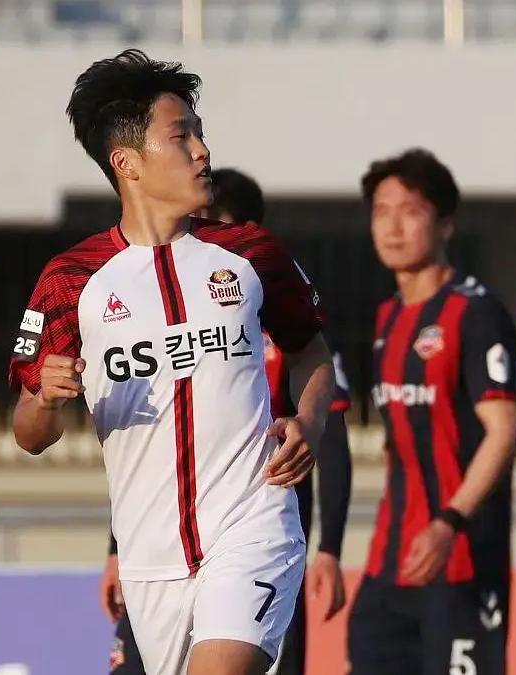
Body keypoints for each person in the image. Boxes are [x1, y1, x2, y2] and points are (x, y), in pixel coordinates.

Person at [10, 50, 334, 675]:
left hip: (254, 525)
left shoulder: (250, 253)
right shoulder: (69, 281)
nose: (203, 151)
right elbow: (29, 434)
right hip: (149, 559)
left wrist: (311, 422)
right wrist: (45, 399)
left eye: (200, 133)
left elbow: (311, 351)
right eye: (181, 136)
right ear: (127, 162)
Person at [98, 168, 353, 675]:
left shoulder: (283, 325)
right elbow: (146, 441)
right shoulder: (150, 312)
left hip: (254, 536)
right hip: (159, 545)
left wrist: (330, 548)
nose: (197, 232)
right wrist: (115, 548)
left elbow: (332, 438)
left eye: (212, 220)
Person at [347, 149, 516, 675]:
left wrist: (449, 522)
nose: (393, 226)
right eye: (381, 211)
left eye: (411, 211)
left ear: (445, 224)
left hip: (461, 559)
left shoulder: (475, 311)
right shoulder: (386, 317)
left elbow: (504, 433)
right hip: (389, 562)